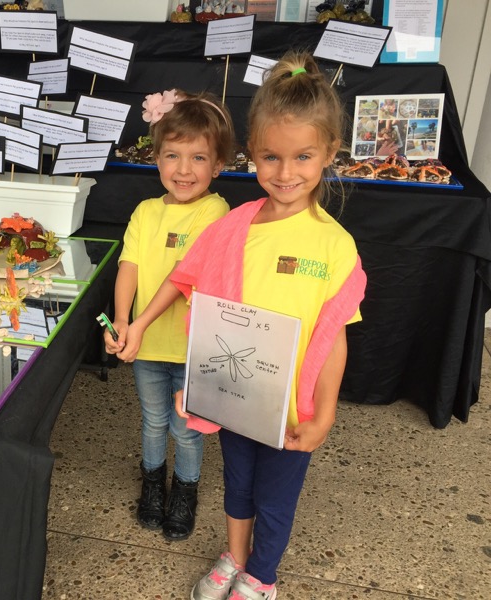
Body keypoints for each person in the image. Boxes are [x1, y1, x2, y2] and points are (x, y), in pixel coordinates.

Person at [120, 50, 367, 598]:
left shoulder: (333, 246)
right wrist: (138, 325)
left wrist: (324, 412)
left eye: (303, 156)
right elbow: (183, 279)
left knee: (276, 498)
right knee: (238, 484)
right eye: (271, 157)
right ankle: (235, 557)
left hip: (292, 408)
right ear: (252, 154)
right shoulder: (234, 229)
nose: (285, 173)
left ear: (329, 152)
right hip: (235, 396)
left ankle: (262, 576)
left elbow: (334, 337)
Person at [103, 89, 235, 541]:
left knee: (186, 429)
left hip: (192, 348)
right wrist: (123, 319)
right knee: (154, 420)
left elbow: (184, 276)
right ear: (155, 158)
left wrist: (136, 324)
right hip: (147, 346)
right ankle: (153, 484)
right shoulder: (144, 211)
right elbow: (129, 267)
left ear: (217, 166)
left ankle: (186, 490)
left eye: (198, 158)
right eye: (172, 155)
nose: (183, 170)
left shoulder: (216, 212)